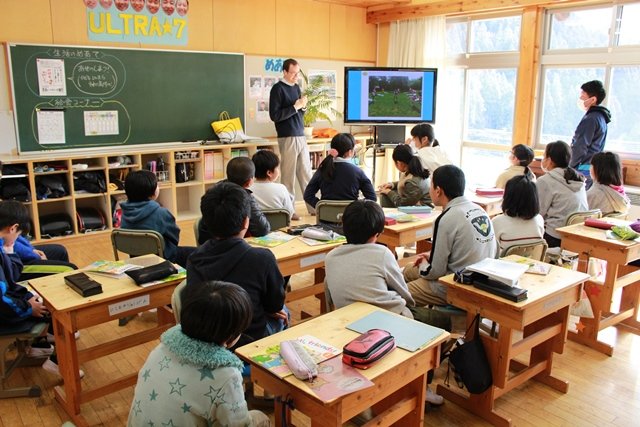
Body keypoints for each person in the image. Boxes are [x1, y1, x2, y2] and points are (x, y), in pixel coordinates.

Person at [324, 199, 446, 406]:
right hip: (386, 323)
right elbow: (404, 293)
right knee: (442, 323)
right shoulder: (382, 253)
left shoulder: (331, 256)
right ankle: (422, 383)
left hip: (349, 322)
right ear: (377, 233)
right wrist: (408, 304)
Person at [127, 281, 270, 427]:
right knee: (260, 418)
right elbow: (239, 425)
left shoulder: (161, 349)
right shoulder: (226, 375)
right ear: (230, 337)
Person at [187, 182, 286, 349]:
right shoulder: (262, 258)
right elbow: (275, 304)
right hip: (250, 339)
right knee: (284, 313)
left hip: (209, 338)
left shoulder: (194, 258)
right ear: (246, 222)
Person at [404, 165, 497, 306]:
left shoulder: (446, 218)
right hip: (482, 279)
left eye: (431, 185)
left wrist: (424, 263)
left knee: (397, 294)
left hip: (455, 286)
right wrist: (432, 256)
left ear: (438, 190)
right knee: (408, 270)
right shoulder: (479, 209)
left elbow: (435, 272)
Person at [120, 170, 196, 267]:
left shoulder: (125, 212)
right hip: (163, 258)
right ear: (152, 192)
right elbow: (174, 236)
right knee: (198, 254)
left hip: (136, 258)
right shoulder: (160, 213)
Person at [269, 58, 312, 206]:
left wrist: (303, 106)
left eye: (298, 73)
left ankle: (313, 208)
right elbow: (274, 116)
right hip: (287, 136)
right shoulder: (277, 89)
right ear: (285, 72)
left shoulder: (296, 87)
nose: (296, 77)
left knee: (306, 173)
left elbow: (299, 112)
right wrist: (295, 107)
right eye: (293, 73)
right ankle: (288, 209)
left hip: (300, 134)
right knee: (288, 176)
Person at [197, 157, 270, 244]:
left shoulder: (213, 192)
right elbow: (262, 229)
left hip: (207, 245)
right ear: (250, 181)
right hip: (233, 246)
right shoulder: (244, 198)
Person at [303, 133, 376, 209]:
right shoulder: (358, 172)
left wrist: (322, 208)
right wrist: (357, 207)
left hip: (326, 219)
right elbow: (372, 198)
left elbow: (308, 195)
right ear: (350, 152)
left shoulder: (322, 169)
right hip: (351, 218)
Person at [537, 140, 588, 248]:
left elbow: (537, 213)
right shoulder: (578, 179)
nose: (543, 159)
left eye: (544, 156)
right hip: (577, 235)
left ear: (550, 160)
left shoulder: (546, 181)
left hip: (554, 237)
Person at [570, 80, 612, 188]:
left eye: (583, 96)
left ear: (593, 99)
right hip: (590, 167)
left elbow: (580, 146)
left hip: (582, 169)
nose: (580, 99)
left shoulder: (591, 119)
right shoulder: (601, 117)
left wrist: (570, 167)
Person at [492, 175, 545, 255]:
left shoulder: (497, 221)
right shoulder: (539, 219)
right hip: (531, 264)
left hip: (505, 265)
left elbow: (492, 250)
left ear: (507, 197)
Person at [250, 149, 298, 220]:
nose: (278, 170)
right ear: (269, 173)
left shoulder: (248, 189)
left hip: (255, 229)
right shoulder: (281, 188)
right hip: (279, 229)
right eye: (277, 168)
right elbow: (289, 213)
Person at [587, 151, 630, 216]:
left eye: (592, 165)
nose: (589, 168)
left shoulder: (594, 194)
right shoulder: (621, 194)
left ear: (599, 169)